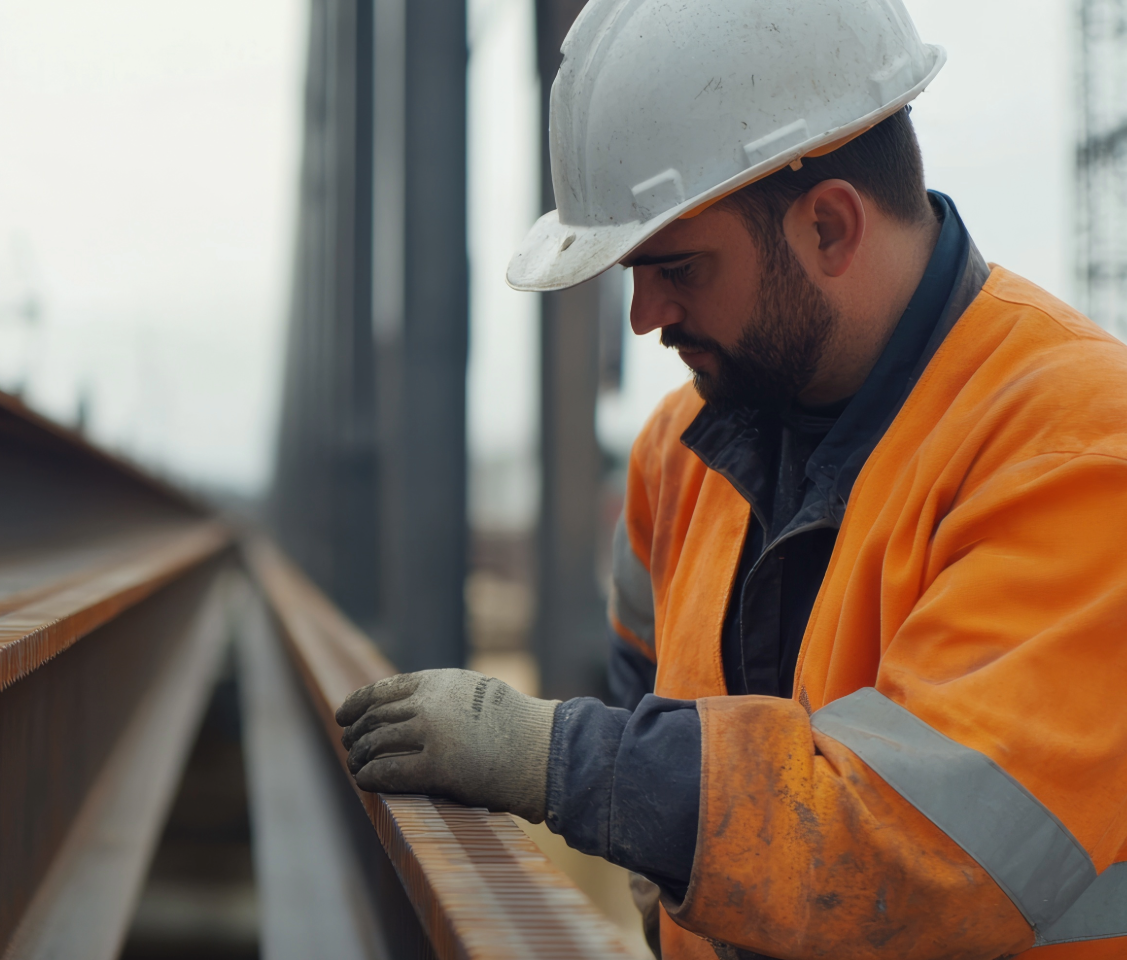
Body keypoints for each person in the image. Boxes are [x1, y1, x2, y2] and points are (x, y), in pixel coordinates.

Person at [331, 1, 1127, 958]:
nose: (643, 316)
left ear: (830, 228)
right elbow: (640, 666)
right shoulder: (682, 448)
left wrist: (562, 762)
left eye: (679, 267)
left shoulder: (1080, 456)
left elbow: (911, 850)